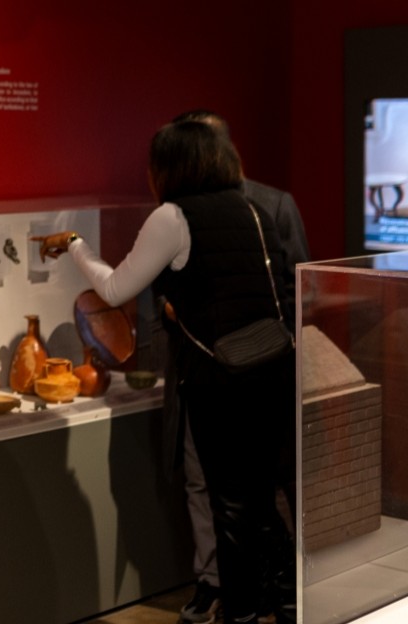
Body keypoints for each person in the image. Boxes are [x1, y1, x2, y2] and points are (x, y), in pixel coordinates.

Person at [35, 119, 296, 624]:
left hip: (221, 380)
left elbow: (113, 291)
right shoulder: (255, 209)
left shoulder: (174, 217)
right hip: (272, 370)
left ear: (170, 167)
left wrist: (74, 244)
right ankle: (287, 603)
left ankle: (240, 614)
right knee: (262, 503)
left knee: (231, 510)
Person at [161, 110, 309, 624]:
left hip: (259, 371)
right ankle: (217, 586)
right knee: (208, 486)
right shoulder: (177, 210)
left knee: (264, 490)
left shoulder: (271, 204)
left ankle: (282, 590)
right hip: (205, 374)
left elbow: (296, 290)